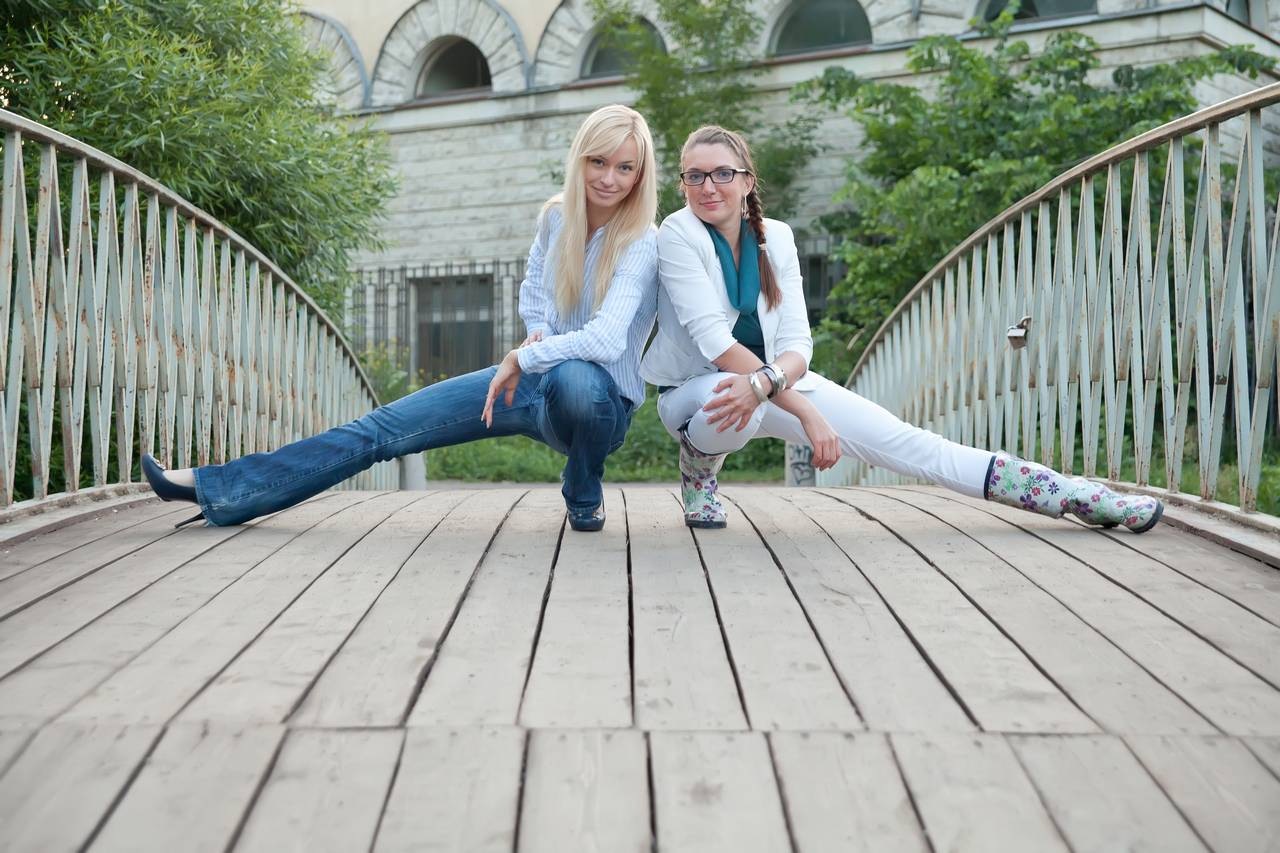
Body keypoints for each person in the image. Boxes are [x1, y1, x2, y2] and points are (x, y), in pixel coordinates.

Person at [143, 104, 660, 532]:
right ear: (579, 160)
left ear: (640, 175)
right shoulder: (556, 218)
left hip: (598, 407)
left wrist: (524, 357)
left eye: (624, 167)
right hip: (531, 382)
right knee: (383, 429)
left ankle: (583, 487)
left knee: (577, 379)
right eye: (598, 162)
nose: (608, 178)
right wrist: (538, 331)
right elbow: (535, 292)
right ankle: (223, 489)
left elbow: (606, 341)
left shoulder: (641, 241)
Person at [640, 125, 1163, 534]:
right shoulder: (678, 233)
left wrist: (773, 385)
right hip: (697, 390)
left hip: (774, 382)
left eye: (722, 173)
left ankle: (1076, 497)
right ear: (683, 184)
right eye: (694, 176)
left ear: (747, 181)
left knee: (913, 445)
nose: (708, 187)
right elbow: (715, 342)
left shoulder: (775, 237)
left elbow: (798, 343)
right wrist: (805, 411)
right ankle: (699, 472)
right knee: (737, 395)